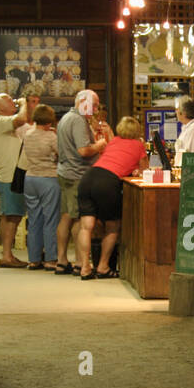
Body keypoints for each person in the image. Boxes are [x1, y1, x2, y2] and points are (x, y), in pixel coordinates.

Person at [76, 116, 147, 280]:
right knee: (113, 226)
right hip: (108, 182)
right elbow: (145, 172)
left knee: (86, 226)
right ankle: (103, 266)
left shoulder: (113, 141)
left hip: (88, 178)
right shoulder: (138, 145)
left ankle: (85, 267)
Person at [55, 89, 108, 275]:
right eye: (93, 105)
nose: (95, 109)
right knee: (78, 219)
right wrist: (100, 145)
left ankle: (61, 260)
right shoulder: (77, 120)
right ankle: (79, 263)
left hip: (65, 171)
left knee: (66, 216)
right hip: (77, 174)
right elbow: (84, 151)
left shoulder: (66, 118)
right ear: (83, 102)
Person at [19, 104, 61, 270]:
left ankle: (33, 259)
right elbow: (60, 153)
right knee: (50, 219)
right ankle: (51, 259)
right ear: (49, 121)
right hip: (48, 178)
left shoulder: (27, 134)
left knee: (34, 220)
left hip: (30, 178)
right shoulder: (51, 137)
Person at [0, 91, 28, 267]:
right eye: (8, 101)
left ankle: (8, 254)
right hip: (9, 176)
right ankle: (6, 255)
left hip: (13, 175)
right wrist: (24, 103)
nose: (13, 102)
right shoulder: (1, 122)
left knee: (13, 215)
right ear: (0, 107)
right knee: (11, 215)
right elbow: (22, 119)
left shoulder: (5, 124)